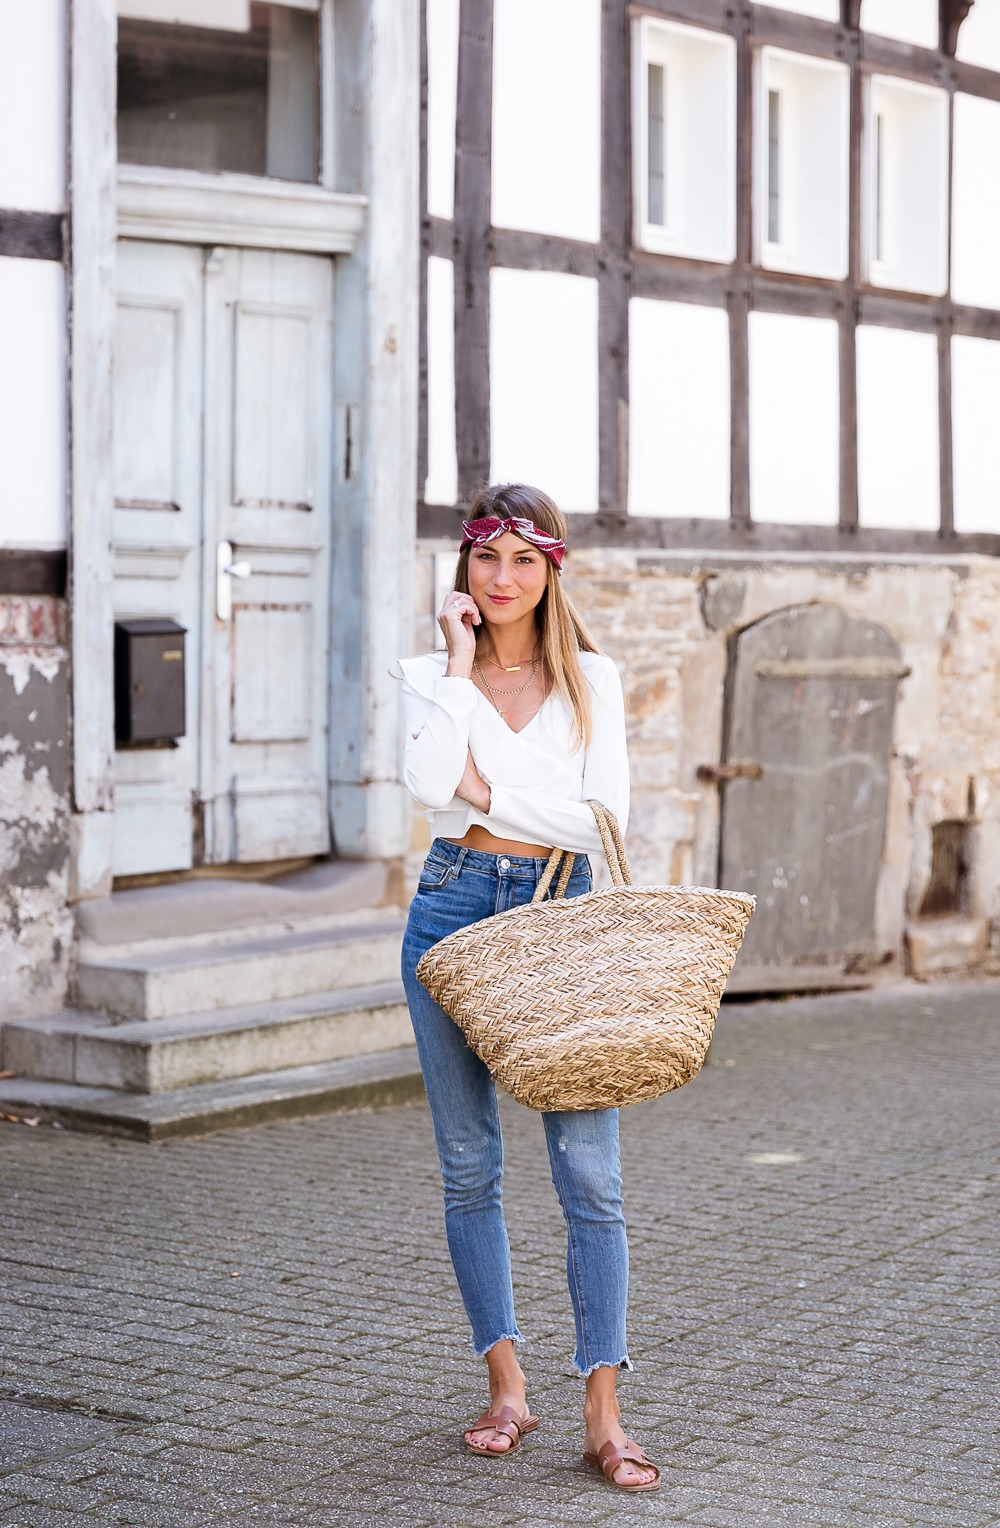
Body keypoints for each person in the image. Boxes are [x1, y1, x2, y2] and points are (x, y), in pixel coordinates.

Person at [397, 483, 659, 1493]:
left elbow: (602, 823)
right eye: (485, 559)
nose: (501, 580)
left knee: (590, 1174)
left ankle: (603, 1408)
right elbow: (428, 786)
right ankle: (506, 1384)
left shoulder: (592, 675)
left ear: (553, 570)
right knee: (468, 1167)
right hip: (449, 907)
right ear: (462, 568)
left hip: (561, 917)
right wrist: (459, 673)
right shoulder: (431, 672)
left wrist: (486, 789)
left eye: (522, 560)